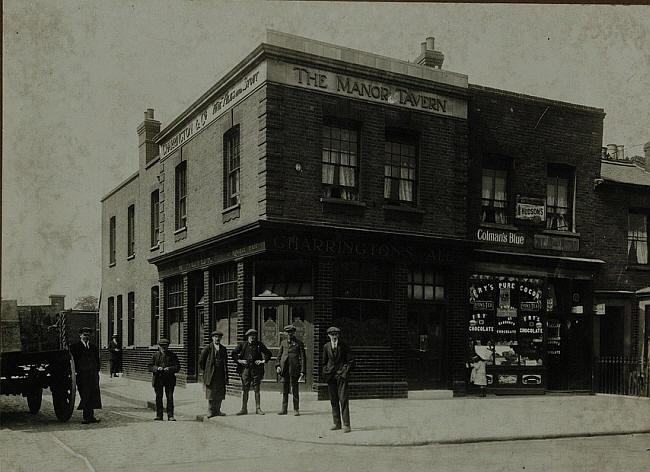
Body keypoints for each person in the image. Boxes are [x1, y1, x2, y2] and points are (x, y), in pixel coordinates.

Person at [232, 328, 272, 415]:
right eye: (251, 336)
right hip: (245, 370)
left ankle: (258, 408)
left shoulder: (259, 345)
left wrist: (263, 361)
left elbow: (268, 353)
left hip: (256, 370)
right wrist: (240, 361)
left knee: (256, 389)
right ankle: (244, 409)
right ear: (247, 336)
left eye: (254, 336)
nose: (252, 337)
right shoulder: (243, 345)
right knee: (245, 389)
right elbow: (233, 353)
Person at [321, 326, 354, 433]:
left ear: (338, 335)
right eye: (332, 335)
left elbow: (350, 361)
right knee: (333, 400)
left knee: (343, 400)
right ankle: (337, 423)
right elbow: (324, 362)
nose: (334, 337)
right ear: (329, 335)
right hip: (331, 377)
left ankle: (346, 425)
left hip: (341, 377)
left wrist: (343, 372)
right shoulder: (326, 346)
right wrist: (326, 372)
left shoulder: (344, 346)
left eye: (336, 334)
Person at [69, 327, 102, 424]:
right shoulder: (74, 347)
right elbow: (73, 362)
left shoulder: (93, 347)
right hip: (82, 375)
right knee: (85, 394)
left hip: (92, 375)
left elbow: (97, 360)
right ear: (80, 335)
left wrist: (96, 371)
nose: (86, 336)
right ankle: (86, 417)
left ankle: (90, 416)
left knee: (93, 394)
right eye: (84, 334)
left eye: (88, 335)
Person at [276, 324, 306, 416]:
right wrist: (278, 365)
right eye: (288, 332)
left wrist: (302, 371)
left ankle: (296, 409)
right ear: (286, 333)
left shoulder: (299, 343)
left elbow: (303, 358)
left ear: (294, 333)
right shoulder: (283, 343)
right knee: (285, 389)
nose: (290, 334)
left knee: (295, 389)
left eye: (291, 332)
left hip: (294, 369)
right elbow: (279, 355)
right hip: (284, 369)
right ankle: (284, 409)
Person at [148, 338, 180, 421]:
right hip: (158, 379)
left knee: (169, 397)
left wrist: (169, 369)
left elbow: (177, 367)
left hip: (169, 379)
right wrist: (157, 368)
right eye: (162, 346)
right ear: (159, 346)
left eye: (165, 346)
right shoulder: (155, 356)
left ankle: (170, 415)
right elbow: (150, 366)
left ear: (168, 346)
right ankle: (159, 415)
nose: (163, 348)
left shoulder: (173, 355)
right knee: (159, 397)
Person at [199, 330, 229, 418]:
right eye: (215, 337)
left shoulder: (223, 349)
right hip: (211, 374)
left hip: (220, 374)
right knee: (211, 393)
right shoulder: (207, 348)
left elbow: (225, 362)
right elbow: (201, 361)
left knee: (220, 392)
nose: (217, 339)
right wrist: (207, 370)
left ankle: (218, 410)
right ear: (212, 338)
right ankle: (211, 411)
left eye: (219, 337)